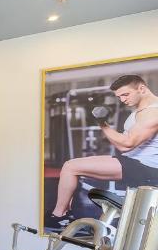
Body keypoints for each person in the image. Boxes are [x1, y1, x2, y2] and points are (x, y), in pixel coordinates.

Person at [50, 74, 158, 227]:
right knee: (72, 168)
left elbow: (127, 144)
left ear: (142, 89)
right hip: (134, 164)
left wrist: (102, 123)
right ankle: (67, 214)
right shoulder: (140, 111)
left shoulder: (153, 112)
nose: (122, 100)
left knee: (70, 167)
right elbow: (126, 139)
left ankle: (58, 215)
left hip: (144, 167)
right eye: (119, 97)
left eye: (125, 94)